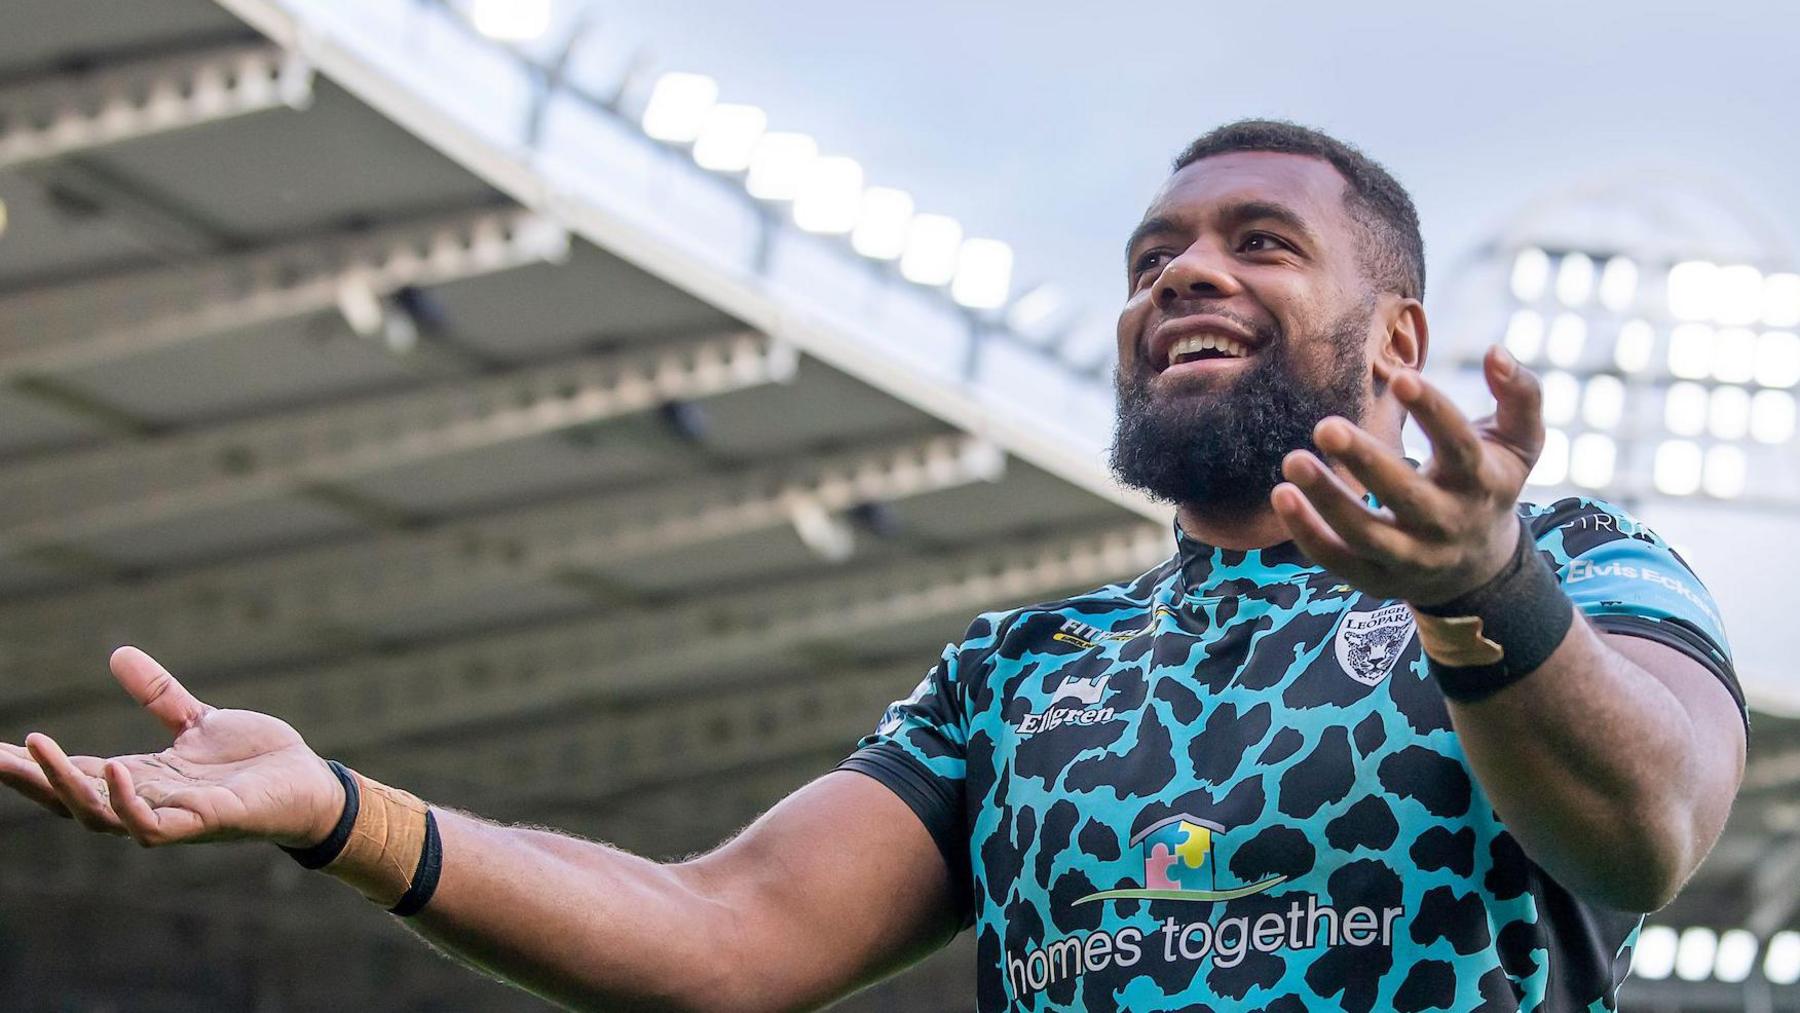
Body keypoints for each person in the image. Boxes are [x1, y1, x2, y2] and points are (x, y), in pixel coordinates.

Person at [0, 120, 1746, 1012]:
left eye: (1257, 242)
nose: (1183, 275)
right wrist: (336, 807)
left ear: (1401, 336)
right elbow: (727, 933)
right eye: (1153, 254)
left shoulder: (1578, 562)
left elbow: (1645, 828)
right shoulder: (1023, 669)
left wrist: (1479, 588)